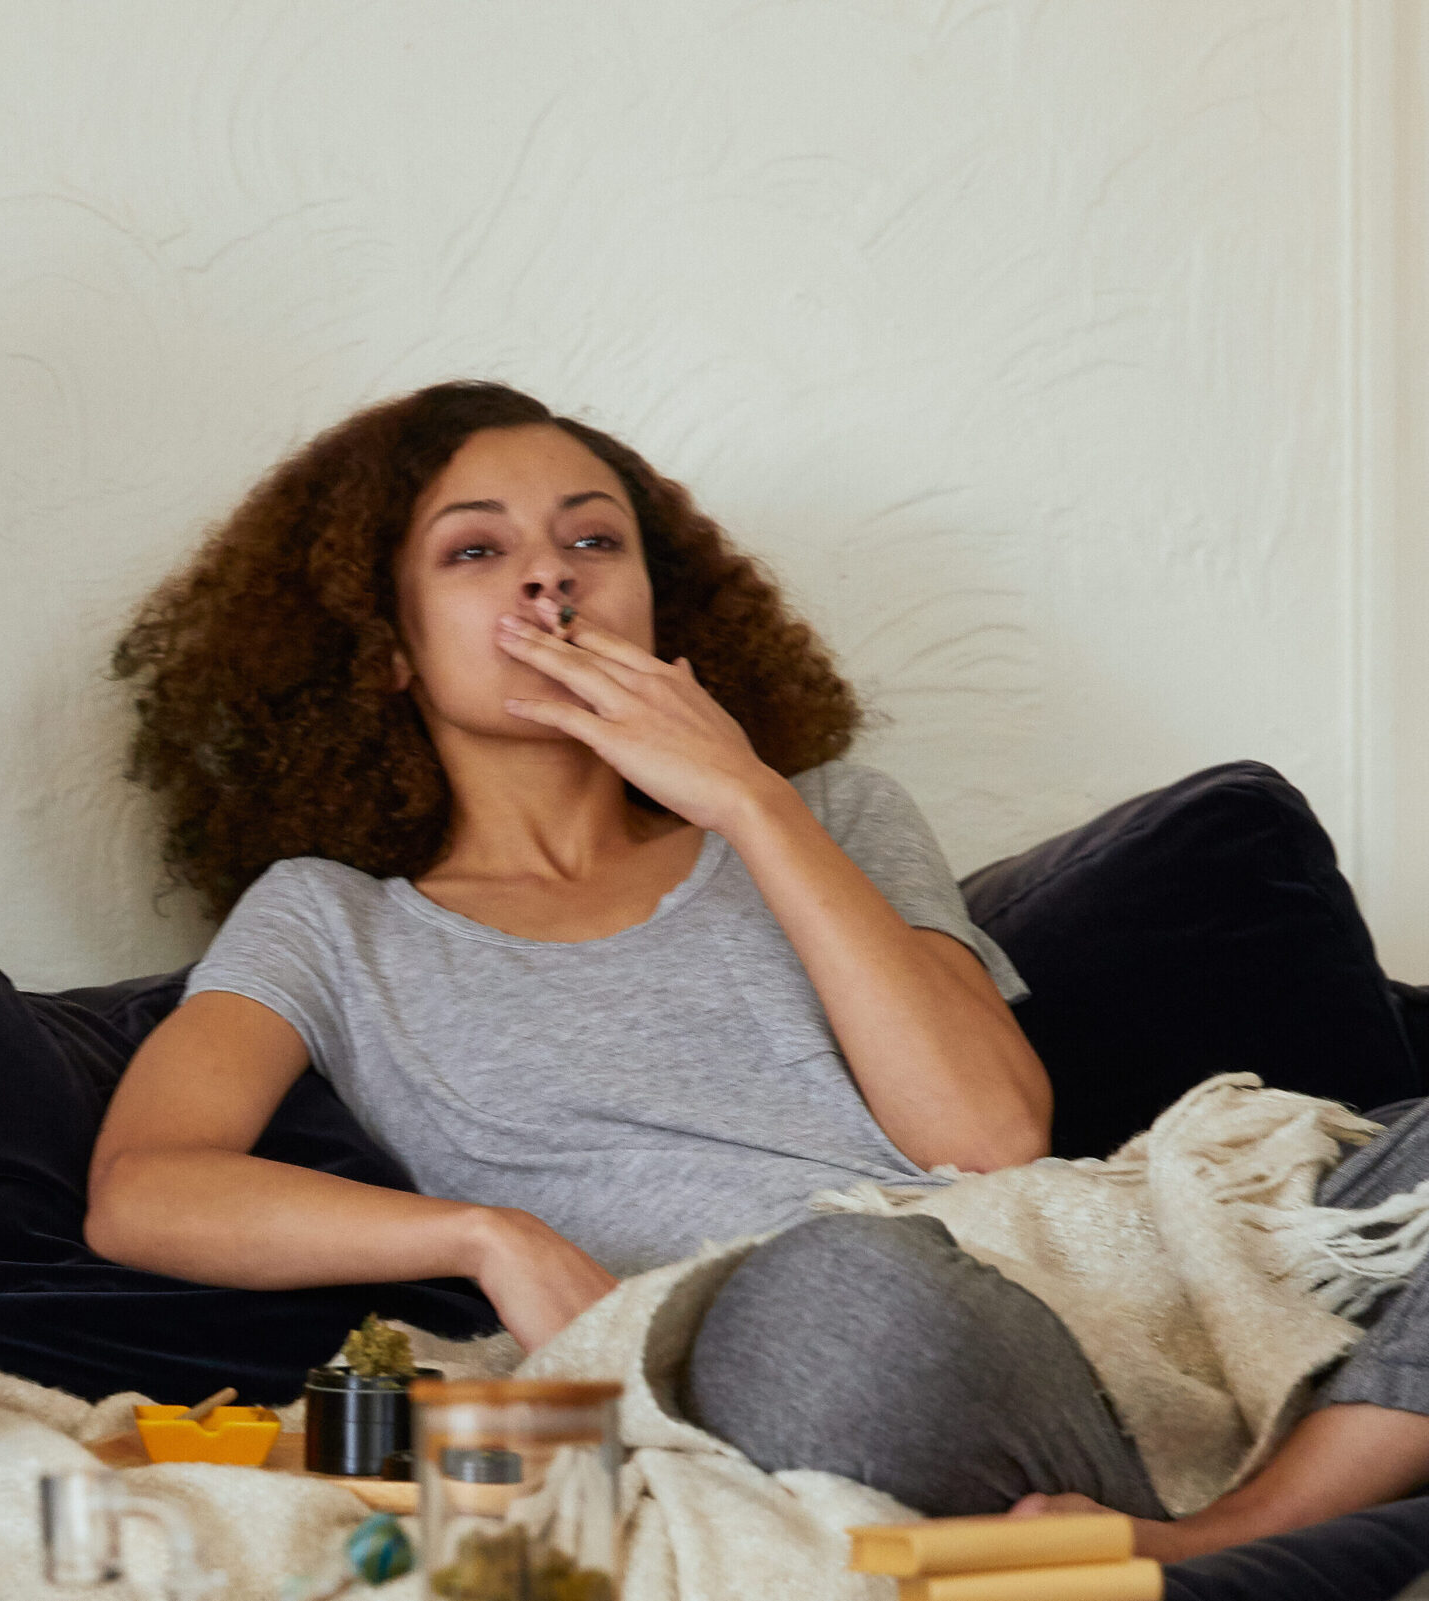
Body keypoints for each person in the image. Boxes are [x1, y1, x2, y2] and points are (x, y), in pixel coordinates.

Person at [84, 378, 1429, 1561]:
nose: (550, 576)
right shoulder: (328, 920)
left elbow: (987, 1136)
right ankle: (1338, 1497)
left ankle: (1247, 1530)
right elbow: (146, 1188)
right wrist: (488, 1235)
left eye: (593, 537)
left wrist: (747, 800)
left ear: (662, 607)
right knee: (837, 1294)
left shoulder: (830, 814)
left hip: (1055, 1289)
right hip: (797, 1347)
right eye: (477, 549)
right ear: (385, 646)